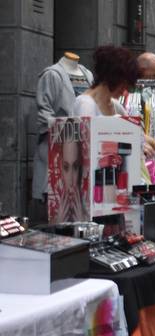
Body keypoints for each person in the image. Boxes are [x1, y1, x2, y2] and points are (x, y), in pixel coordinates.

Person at [32, 52, 95, 224]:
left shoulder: (87, 75)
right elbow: (44, 114)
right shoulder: (51, 74)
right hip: (58, 148)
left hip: (82, 149)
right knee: (58, 196)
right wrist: (72, 131)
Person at [72, 46, 138, 117]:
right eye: (122, 87)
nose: (123, 93)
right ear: (113, 78)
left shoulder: (115, 105)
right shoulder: (85, 104)